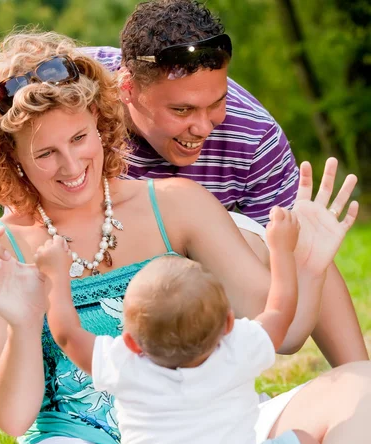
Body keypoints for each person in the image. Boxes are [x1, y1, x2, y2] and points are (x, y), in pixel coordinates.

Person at [0, 29, 369, 444]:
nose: (71, 165)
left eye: (80, 138)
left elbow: (276, 331)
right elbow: (13, 417)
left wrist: (303, 266)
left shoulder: (175, 203)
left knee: (359, 386)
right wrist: (19, 321)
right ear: (12, 160)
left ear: (102, 125)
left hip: (213, 420)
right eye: (45, 152)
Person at [34, 209, 321, 444]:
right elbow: (280, 310)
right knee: (300, 440)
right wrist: (281, 249)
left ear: (130, 343)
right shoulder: (238, 350)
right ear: (229, 324)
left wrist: (57, 274)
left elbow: (67, 335)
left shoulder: (127, 367)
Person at [83, 0, 368, 368]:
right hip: (80, 271)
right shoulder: (72, 88)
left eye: (217, 103)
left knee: (247, 234)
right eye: (182, 110)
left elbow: (303, 256)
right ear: (127, 89)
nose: (203, 127)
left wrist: (359, 377)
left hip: (177, 295)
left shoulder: (253, 138)